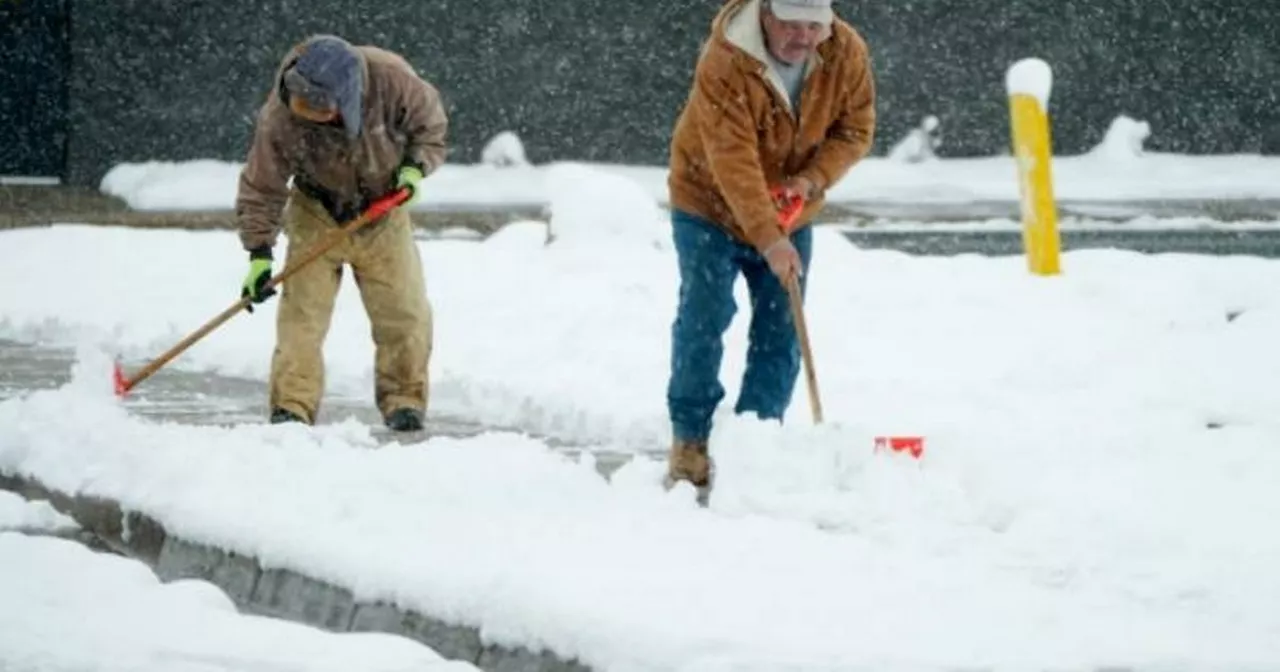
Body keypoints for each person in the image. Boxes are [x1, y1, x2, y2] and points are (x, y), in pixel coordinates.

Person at [664, 0, 876, 486]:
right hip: (708, 203)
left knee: (782, 328)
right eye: (792, 25)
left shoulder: (845, 51)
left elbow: (856, 129)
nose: (803, 38)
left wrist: (812, 179)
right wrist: (769, 239)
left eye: (814, 26)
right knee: (705, 315)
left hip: (791, 205)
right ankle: (690, 441)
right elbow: (731, 160)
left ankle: (757, 440)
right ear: (767, 16)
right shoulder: (727, 59)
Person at [234, 34, 447, 432]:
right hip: (316, 210)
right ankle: (292, 406)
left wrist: (415, 168)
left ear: (345, 95)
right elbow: (263, 185)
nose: (304, 113)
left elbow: (430, 129)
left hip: (384, 209)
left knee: (404, 312)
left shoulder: (394, 82)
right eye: (300, 105)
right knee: (302, 318)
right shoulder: (279, 116)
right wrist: (259, 253)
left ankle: (404, 400)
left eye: (317, 107)